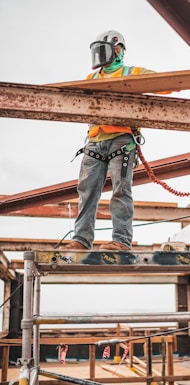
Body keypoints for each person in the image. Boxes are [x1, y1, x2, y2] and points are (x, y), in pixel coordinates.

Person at [59, 30, 154, 251]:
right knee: (87, 191)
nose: (100, 56)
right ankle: (81, 241)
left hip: (122, 141)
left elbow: (165, 83)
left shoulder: (133, 73)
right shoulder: (92, 78)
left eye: (105, 50)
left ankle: (121, 241)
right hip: (94, 142)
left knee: (121, 190)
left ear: (118, 49)